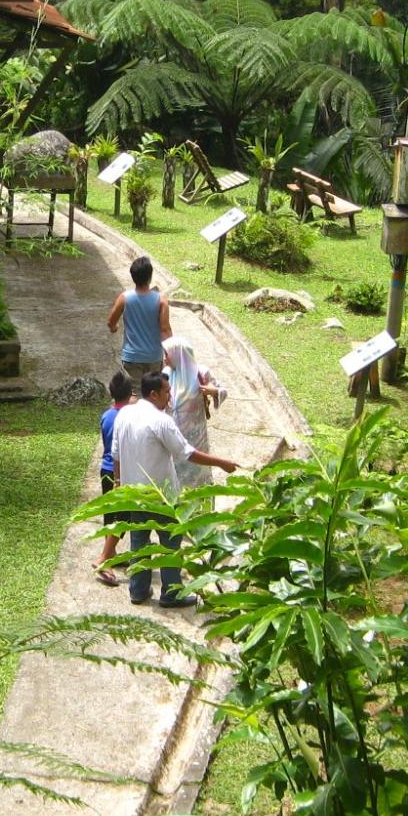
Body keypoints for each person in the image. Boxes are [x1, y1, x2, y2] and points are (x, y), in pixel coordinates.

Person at [108, 370, 239, 608]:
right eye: (167, 392)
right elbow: (187, 453)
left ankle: (138, 590)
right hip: (161, 496)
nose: (170, 397)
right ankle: (171, 593)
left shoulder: (124, 414)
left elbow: (116, 454)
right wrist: (222, 462)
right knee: (170, 544)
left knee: (139, 542)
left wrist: (119, 483)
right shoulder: (161, 421)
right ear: (154, 393)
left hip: (133, 495)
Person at [161, 336, 225, 491]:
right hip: (174, 434)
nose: (164, 359)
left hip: (196, 436)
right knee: (176, 474)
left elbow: (222, 390)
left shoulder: (201, 373)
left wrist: (213, 391)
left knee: (197, 472)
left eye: (167, 354)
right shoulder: (166, 374)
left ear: (178, 354)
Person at [107, 255, 170, 385]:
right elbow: (165, 330)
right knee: (153, 394)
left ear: (133, 276)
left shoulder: (124, 298)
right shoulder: (161, 301)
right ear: (150, 277)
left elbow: (111, 321)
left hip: (132, 357)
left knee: (134, 395)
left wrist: (114, 328)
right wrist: (170, 353)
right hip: (154, 356)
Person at [95, 370, 132, 587]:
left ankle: (111, 551)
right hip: (121, 472)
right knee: (123, 517)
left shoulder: (107, 415)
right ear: (130, 394)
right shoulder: (128, 417)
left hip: (105, 468)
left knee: (109, 514)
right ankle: (105, 558)